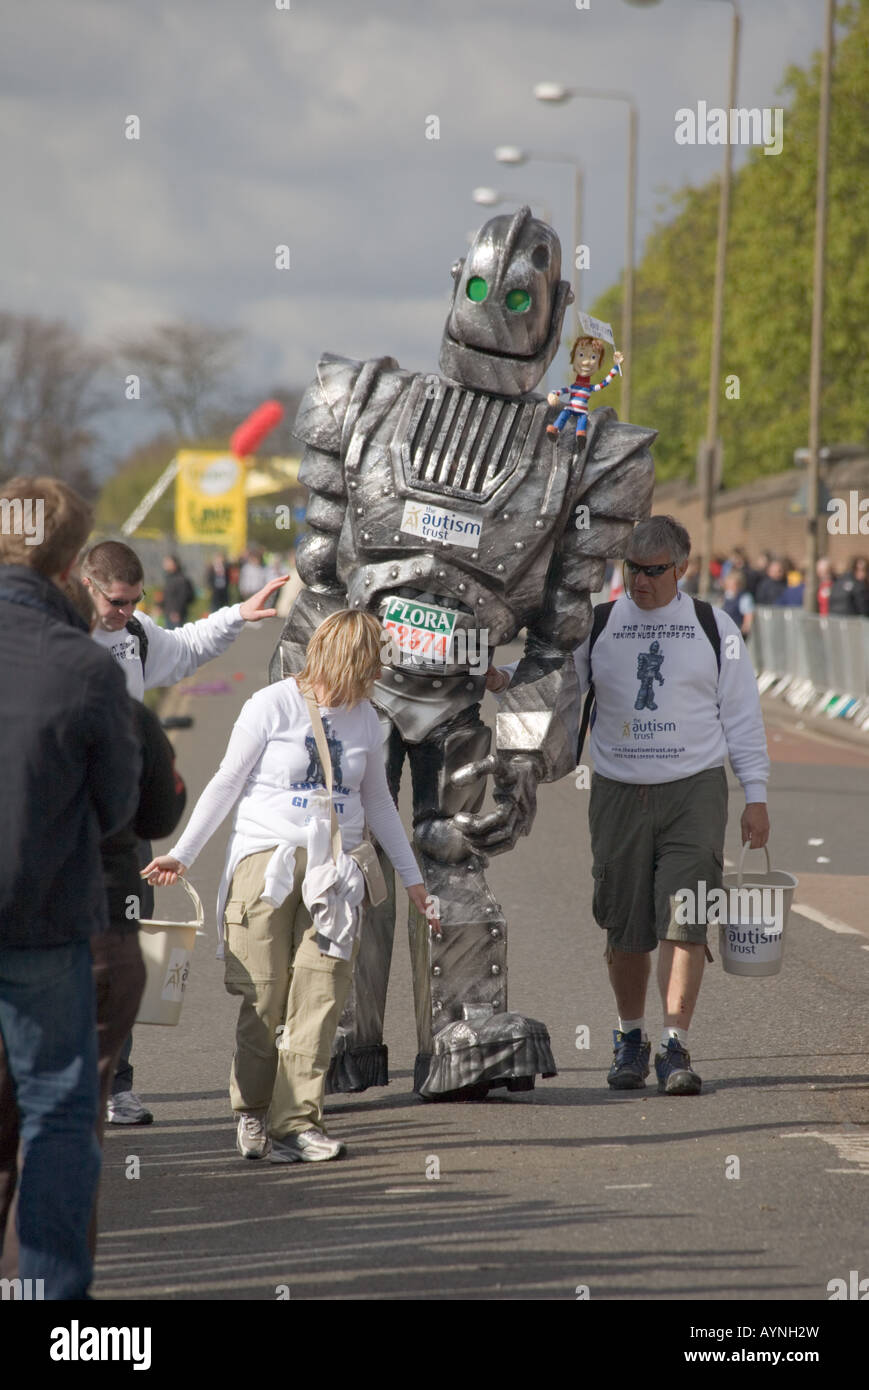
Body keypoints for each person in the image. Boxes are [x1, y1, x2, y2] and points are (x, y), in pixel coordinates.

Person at [142, 610, 437, 1162]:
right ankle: (252, 1112)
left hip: (336, 872)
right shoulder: (270, 704)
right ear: (347, 659)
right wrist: (183, 854)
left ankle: (297, 1122)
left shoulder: (367, 719)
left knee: (320, 996)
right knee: (264, 995)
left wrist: (414, 881)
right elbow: (226, 781)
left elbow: (377, 802)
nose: (376, 675)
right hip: (267, 865)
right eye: (370, 663)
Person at [500, 515, 769, 1097]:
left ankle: (674, 1047)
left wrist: (757, 794)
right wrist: (504, 682)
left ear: (682, 568)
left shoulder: (712, 625)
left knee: (686, 917)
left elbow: (743, 715)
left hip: (693, 789)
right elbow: (554, 690)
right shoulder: (597, 626)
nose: (640, 582)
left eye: (652, 571)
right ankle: (630, 1038)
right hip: (619, 789)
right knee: (624, 925)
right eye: (631, 569)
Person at [80, 537, 288, 1126]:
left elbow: (188, 646)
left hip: (121, 835)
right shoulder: (47, 636)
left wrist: (237, 616)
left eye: (132, 601)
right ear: (87, 586)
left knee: (126, 953)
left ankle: (115, 1084)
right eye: (116, 602)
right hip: (54, 832)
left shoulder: (137, 634)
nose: (123, 611)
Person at [0, 476, 140, 1299]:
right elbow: (118, 806)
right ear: (65, 560)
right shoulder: (86, 667)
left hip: (46, 915)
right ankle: (47, 1304)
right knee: (56, 1113)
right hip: (45, 915)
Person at [161, 553, 195, 628]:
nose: (165, 564)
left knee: (176, 637)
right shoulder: (169, 577)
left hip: (176, 615)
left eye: (167, 562)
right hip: (169, 613)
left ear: (174, 564)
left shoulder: (181, 579)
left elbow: (183, 597)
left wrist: (177, 612)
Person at [720, 569, 755, 639]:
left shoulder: (744, 597)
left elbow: (748, 615)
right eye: (727, 584)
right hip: (724, 633)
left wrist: (744, 631)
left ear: (739, 584)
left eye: (732, 585)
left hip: (737, 634)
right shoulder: (725, 596)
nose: (729, 587)